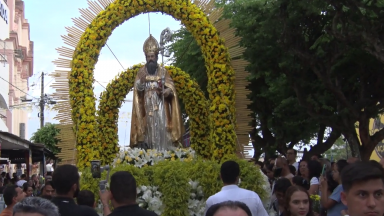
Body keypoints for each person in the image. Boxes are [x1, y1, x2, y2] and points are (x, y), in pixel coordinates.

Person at [130, 34, 184, 150]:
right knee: (148, 130)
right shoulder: (141, 72)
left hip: (161, 106)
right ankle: (150, 154)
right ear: (146, 57)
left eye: (152, 56)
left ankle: (164, 152)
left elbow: (171, 87)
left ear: (156, 57)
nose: (150, 59)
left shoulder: (163, 71)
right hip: (147, 107)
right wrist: (141, 83)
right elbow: (137, 91)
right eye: (148, 56)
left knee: (163, 127)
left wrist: (167, 91)